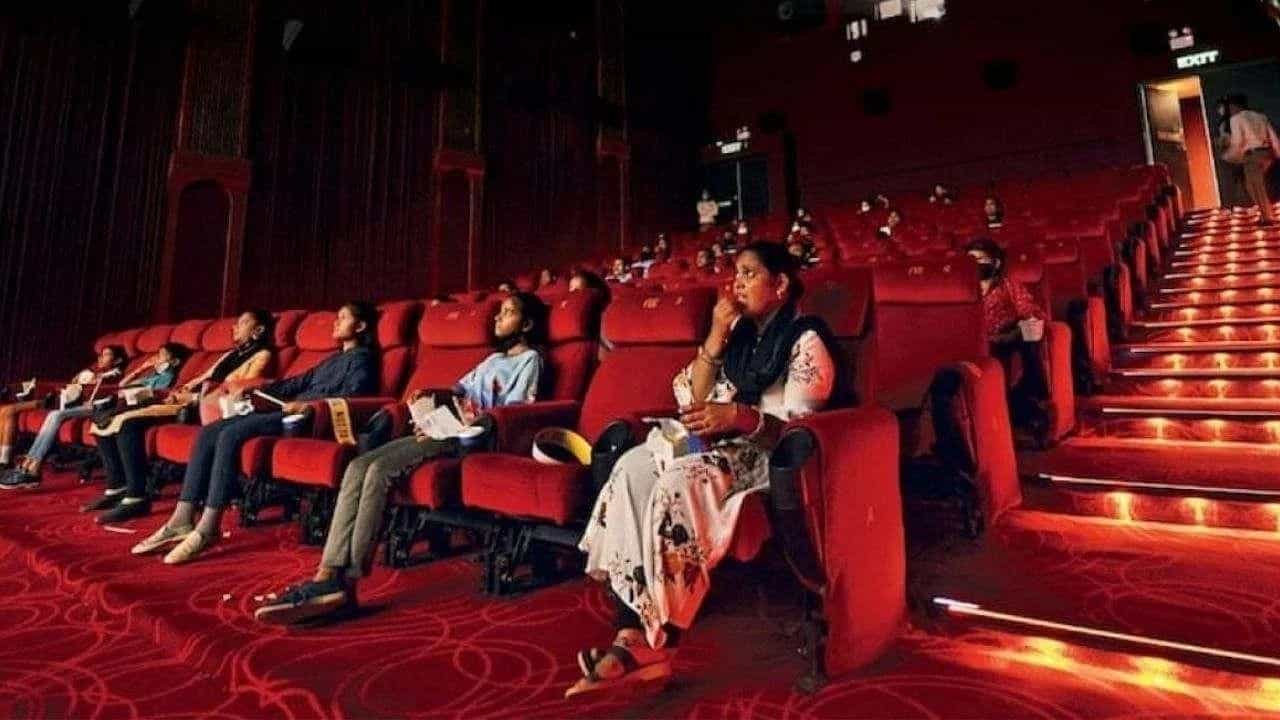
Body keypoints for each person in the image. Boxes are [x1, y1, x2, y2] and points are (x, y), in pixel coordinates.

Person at [567, 241, 848, 697]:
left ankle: (659, 642)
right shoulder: (738, 336)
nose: (737, 283)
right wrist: (717, 334)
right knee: (632, 468)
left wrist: (739, 417)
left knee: (677, 484)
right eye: (736, 273)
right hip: (717, 445)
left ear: (780, 284)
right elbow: (693, 398)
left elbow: (802, 433)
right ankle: (630, 630)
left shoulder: (805, 338)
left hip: (765, 456)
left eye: (750, 274)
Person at [254, 293, 550, 625]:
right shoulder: (492, 359)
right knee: (357, 466)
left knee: (379, 471)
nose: (497, 317)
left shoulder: (530, 361)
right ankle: (326, 574)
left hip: (470, 438)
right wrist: (431, 399)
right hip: (443, 428)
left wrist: (466, 421)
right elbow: (459, 391)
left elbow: (514, 409)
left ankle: (346, 581)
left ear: (527, 324)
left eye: (508, 312)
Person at [131, 302, 381, 565]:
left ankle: (208, 527)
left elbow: (355, 393)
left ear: (361, 326)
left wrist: (309, 405)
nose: (335, 322)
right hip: (287, 408)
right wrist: (259, 390)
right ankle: (181, 518)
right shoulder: (333, 359)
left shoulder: (363, 358)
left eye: (343, 318)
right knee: (210, 432)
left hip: (308, 418)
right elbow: (297, 383)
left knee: (230, 435)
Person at [84, 310, 276, 523]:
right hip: (188, 399)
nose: (235, 327)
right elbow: (205, 376)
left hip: (210, 408)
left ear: (259, 330)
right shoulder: (230, 354)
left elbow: (239, 389)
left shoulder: (263, 354)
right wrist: (182, 390)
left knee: (127, 423)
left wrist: (193, 397)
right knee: (104, 418)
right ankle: (117, 487)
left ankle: (136, 497)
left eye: (243, 322)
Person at [0, 345, 129, 489]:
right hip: (83, 405)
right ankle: (28, 464)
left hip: (97, 407)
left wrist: (90, 381)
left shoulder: (116, 374)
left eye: (106, 355)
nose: (100, 357)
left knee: (57, 414)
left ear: (117, 360)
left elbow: (109, 388)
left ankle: (34, 467)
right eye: (101, 354)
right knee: (53, 414)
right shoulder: (96, 372)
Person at [964, 238, 1049, 440]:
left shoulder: (1008, 286)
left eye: (980, 260)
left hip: (1004, 343)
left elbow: (1035, 316)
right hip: (969, 347)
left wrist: (1013, 333)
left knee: (1025, 336)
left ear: (996, 263)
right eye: (969, 261)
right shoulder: (960, 289)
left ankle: (1030, 403)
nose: (974, 266)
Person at [1222, 94, 1280, 225]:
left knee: (1256, 186)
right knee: (1252, 185)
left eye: (1229, 107)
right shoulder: (1261, 117)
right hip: (1266, 153)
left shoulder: (1236, 119)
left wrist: (1230, 156)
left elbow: (1238, 141)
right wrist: (1277, 152)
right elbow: (1272, 136)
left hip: (1253, 155)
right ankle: (1265, 214)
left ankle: (1267, 217)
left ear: (1234, 106)